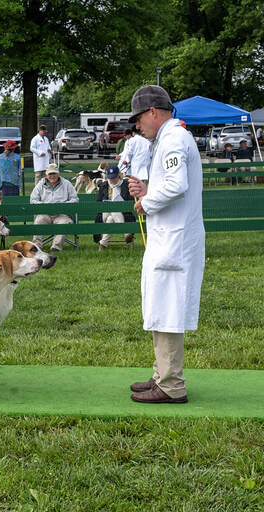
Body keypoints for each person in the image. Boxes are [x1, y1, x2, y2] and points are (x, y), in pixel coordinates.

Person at [127, 85, 205, 404]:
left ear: (153, 112)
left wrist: (148, 201)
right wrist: (147, 190)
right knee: (162, 304)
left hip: (175, 241)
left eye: (138, 118)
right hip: (169, 238)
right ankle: (162, 373)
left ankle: (172, 383)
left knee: (169, 307)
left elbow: (176, 184)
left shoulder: (173, 138)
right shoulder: (169, 138)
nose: (137, 125)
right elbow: (170, 183)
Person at [30, 163, 78, 251]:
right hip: (45, 214)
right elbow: (33, 200)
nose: (52, 176)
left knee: (64, 223)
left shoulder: (67, 184)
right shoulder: (40, 185)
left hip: (62, 214)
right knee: (38, 221)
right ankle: (36, 248)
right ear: (46, 174)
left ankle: (56, 247)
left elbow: (75, 199)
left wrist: (63, 205)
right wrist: (43, 205)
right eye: (50, 174)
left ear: (58, 174)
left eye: (54, 173)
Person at [94, 165, 135, 251]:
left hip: (123, 214)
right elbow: (98, 202)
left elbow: (131, 201)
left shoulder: (126, 185)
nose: (112, 180)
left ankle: (102, 244)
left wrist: (121, 203)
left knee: (110, 219)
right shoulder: (104, 185)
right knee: (112, 209)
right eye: (110, 178)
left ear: (119, 175)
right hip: (104, 213)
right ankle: (126, 234)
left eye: (114, 177)